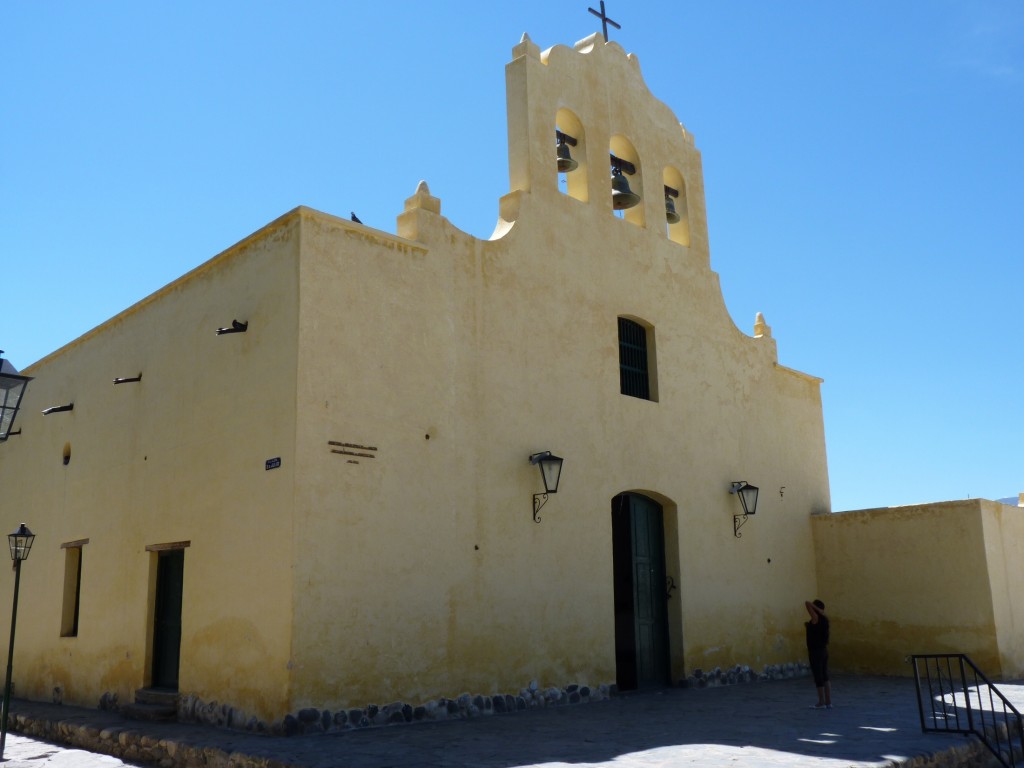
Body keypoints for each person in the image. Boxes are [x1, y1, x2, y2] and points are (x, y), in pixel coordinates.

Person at [805, 599, 831, 708]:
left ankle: (821, 702)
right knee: (825, 676)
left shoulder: (815, 618)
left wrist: (818, 610)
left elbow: (807, 603)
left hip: (815, 652)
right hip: (824, 651)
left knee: (818, 676)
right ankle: (828, 702)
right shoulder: (825, 620)